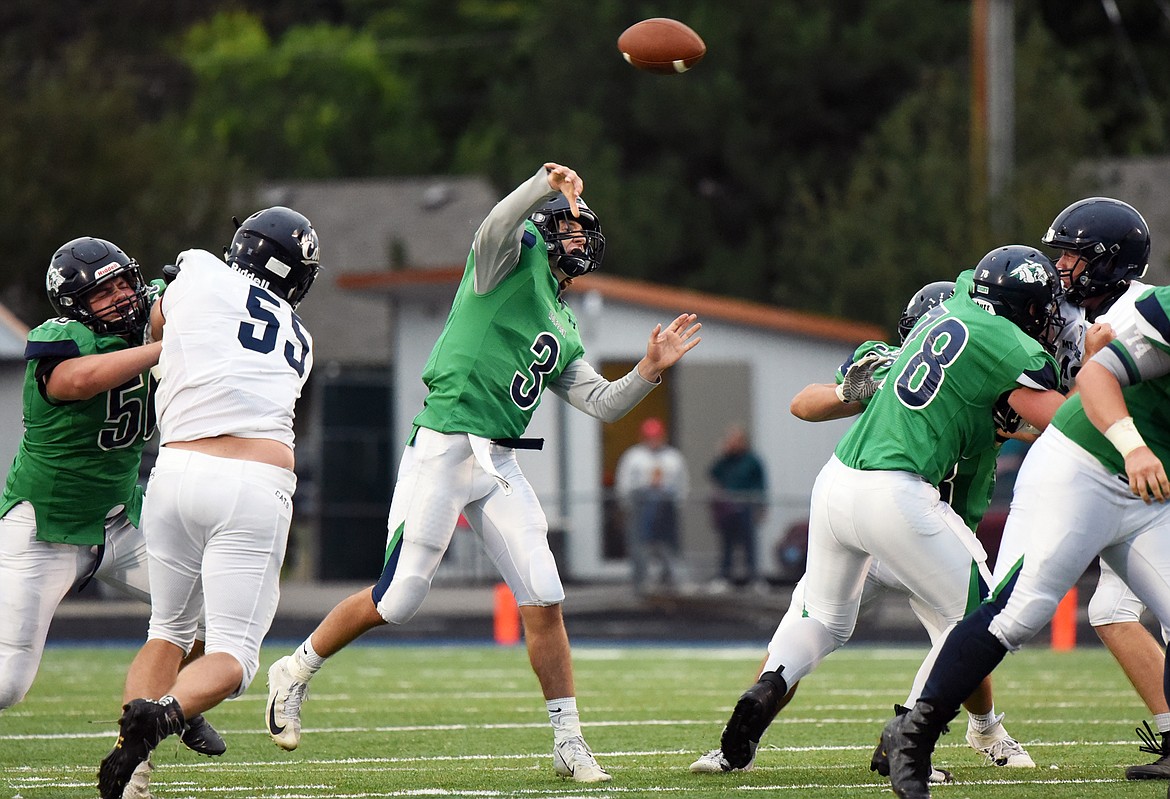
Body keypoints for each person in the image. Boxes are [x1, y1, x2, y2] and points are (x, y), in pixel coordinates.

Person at [263, 163, 701, 784]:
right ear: (543, 228)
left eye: (584, 231)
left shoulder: (565, 322)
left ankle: (569, 741)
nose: (579, 237)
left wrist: (649, 370)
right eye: (569, 227)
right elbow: (497, 221)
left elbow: (602, 404)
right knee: (401, 598)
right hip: (444, 446)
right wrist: (543, 186)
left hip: (497, 459)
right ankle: (296, 669)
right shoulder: (507, 261)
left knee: (545, 596)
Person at [706, 245, 1066, 777]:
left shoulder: (928, 356)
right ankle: (909, 737)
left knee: (821, 617)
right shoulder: (993, 354)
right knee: (975, 621)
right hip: (907, 510)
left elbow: (805, 405)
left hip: (843, 487)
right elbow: (1054, 420)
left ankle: (768, 689)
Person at [880, 200, 1170, 799]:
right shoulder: (1154, 310)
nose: (1061, 267)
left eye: (1075, 255)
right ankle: (914, 733)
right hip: (1084, 468)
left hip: (1149, 488)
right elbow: (1092, 380)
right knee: (1016, 610)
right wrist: (1133, 445)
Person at [97, 207, 321, 799]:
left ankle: (132, 770)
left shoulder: (196, 269)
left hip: (174, 471)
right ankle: (162, 717)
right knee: (234, 659)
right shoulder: (301, 338)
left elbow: (156, 328)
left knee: (166, 630)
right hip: (252, 484)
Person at [0, 239, 224, 774]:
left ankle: (177, 704)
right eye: (104, 292)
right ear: (75, 302)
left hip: (120, 520)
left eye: (125, 283)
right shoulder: (61, 339)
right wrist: (166, 348)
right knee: (7, 684)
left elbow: (202, 298)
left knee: (207, 618)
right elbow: (78, 380)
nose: (122, 297)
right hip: (45, 526)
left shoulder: (156, 311)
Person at [615, 416, 691, 595]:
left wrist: (679, 502)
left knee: (668, 546)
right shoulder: (634, 457)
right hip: (641, 508)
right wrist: (626, 504)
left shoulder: (673, 457)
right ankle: (640, 583)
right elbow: (624, 482)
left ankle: (669, 579)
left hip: (666, 509)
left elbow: (682, 483)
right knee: (640, 546)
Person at [707, 423, 767, 591]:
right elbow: (713, 474)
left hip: (746, 507)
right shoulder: (726, 461)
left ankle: (754, 578)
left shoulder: (752, 461)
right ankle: (724, 577)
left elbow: (760, 484)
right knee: (727, 544)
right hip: (728, 508)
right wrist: (722, 454)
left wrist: (760, 506)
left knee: (749, 544)